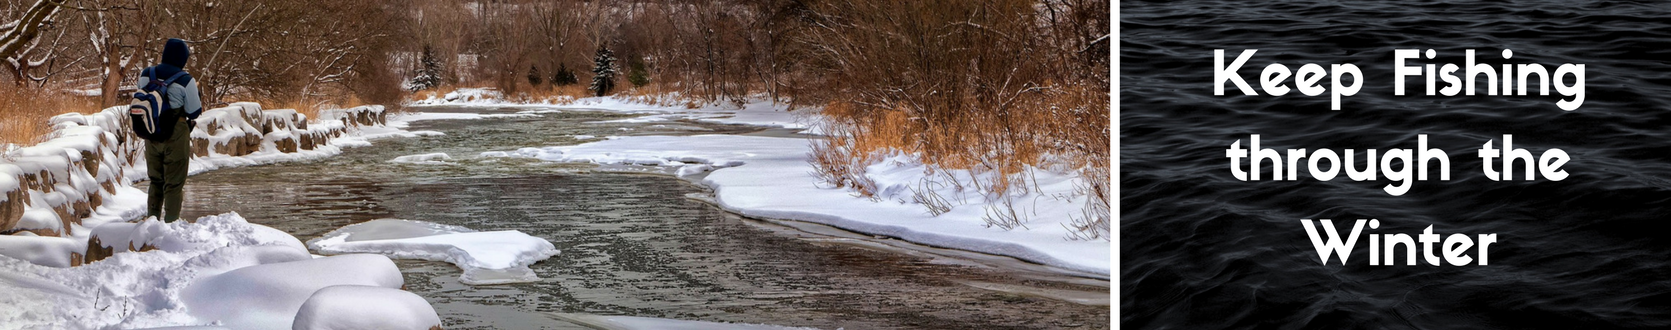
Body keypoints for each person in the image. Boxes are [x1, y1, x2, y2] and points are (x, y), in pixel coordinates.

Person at [137, 38, 203, 222]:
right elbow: (194, 111)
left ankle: (152, 222)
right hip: (176, 134)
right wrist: (196, 93)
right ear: (183, 58)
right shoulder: (186, 80)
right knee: (173, 183)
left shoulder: (146, 74)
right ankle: (171, 224)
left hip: (151, 132)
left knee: (156, 180)